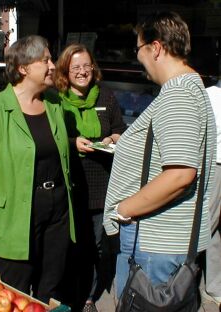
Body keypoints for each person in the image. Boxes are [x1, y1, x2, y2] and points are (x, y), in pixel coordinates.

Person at [103, 11, 216, 300]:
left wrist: (123, 210)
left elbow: (180, 174)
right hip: (159, 241)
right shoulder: (187, 89)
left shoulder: (178, 93)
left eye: (138, 48)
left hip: (154, 243)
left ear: (156, 48)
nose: (137, 57)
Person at [0, 35, 75, 304]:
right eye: (45, 59)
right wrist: (2, 192)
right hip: (15, 216)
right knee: (15, 292)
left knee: (51, 286)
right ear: (23, 68)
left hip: (57, 212)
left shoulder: (54, 104)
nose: (52, 65)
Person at [54, 43, 126, 311]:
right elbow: (51, 137)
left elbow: (120, 129)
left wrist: (110, 138)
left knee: (93, 244)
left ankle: (87, 296)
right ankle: (63, 291)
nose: (83, 72)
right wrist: (73, 143)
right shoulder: (55, 99)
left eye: (86, 66)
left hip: (99, 183)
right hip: (67, 182)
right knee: (66, 242)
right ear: (65, 71)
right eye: (76, 67)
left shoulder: (105, 96)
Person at [200, 79, 221, 308]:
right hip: (216, 166)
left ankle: (215, 285)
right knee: (209, 225)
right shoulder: (208, 95)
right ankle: (183, 278)